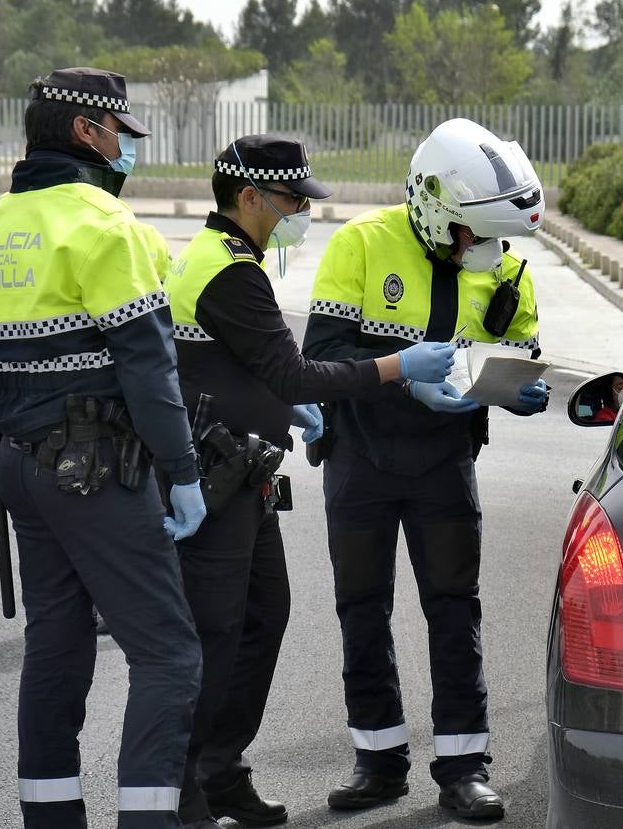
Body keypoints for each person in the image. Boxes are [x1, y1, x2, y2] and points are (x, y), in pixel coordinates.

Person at [163, 135, 458, 827]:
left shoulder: (224, 259)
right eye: (292, 200)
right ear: (249, 198)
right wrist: (396, 367)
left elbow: (243, 370)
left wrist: (286, 408)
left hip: (244, 473)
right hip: (219, 475)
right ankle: (184, 790)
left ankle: (221, 770)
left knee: (264, 617)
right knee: (217, 634)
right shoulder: (229, 269)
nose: (301, 212)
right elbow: (290, 370)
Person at [0, 67, 207, 829]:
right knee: (168, 655)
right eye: (122, 134)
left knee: (55, 644)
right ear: (88, 132)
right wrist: (182, 471)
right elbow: (149, 369)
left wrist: (13, 458)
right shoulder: (103, 225)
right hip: (97, 468)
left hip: (21, 468)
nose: (127, 149)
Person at [302, 118, 550, 820]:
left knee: (453, 609)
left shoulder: (500, 264)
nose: (485, 249)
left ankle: (464, 767)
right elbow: (321, 355)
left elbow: (520, 350)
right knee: (362, 611)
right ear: (433, 207)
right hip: (360, 459)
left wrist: (522, 391)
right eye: (472, 234)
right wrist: (403, 378)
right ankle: (377, 763)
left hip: (445, 462)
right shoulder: (360, 244)